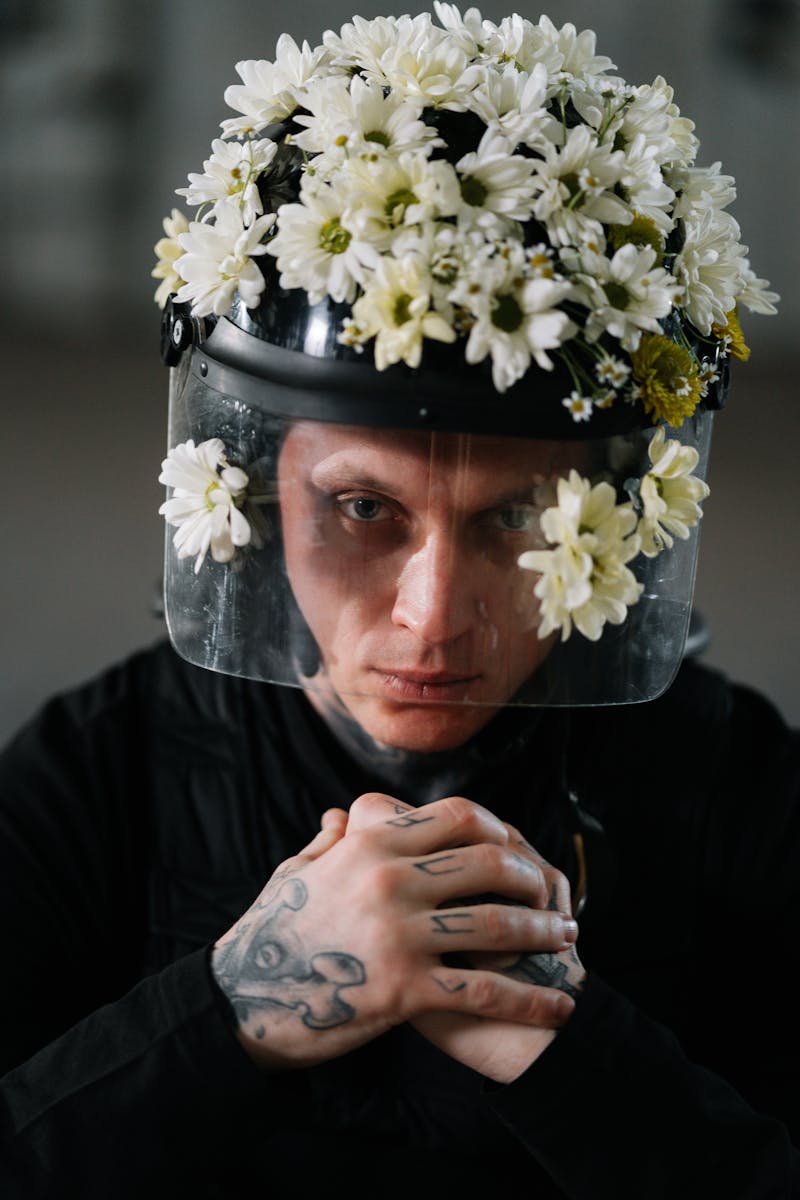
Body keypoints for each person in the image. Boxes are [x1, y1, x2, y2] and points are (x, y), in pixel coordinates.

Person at [1, 7, 797, 1197]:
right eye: (363, 510)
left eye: (514, 518)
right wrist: (233, 1008)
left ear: (614, 517)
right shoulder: (92, 775)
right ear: (259, 487)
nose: (432, 619)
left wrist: (580, 1062)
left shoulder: (733, 784)